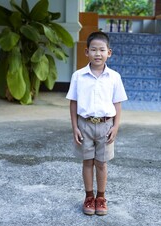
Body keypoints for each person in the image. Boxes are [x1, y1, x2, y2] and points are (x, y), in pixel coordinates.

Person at [66, 31, 128, 216]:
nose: (98, 54)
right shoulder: (78, 76)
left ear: (109, 52)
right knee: (87, 162)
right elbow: (73, 102)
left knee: (101, 163)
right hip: (84, 125)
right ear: (86, 52)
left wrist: (116, 126)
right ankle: (88, 196)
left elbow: (117, 103)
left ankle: (101, 198)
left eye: (102, 50)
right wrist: (75, 127)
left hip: (105, 126)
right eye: (93, 49)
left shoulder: (114, 77)